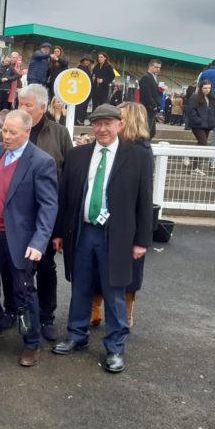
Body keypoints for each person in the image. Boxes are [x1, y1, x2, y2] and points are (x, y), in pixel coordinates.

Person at [52, 104, 153, 374]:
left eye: (108, 123)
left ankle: (116, 347)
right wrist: (60, 232)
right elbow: (66, 198)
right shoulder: (77, 155)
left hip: (116, 236)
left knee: (115, 292)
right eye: (97, 124)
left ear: (119, 125)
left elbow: (144, 202)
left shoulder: (137, 157)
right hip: (83, 232)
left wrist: (141, 241)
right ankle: (76, 335)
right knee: (80, 287)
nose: (102, 129)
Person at [0, 110, 58, 366]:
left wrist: (39, 242)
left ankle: (31, 342)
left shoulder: (41, 162)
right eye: (3, 131)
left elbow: (48, 206)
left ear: (27, 133)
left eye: (12, 132)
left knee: (24, 293)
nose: (5, 136)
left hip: (20, 238)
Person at [17, 84, 73, 340]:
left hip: (48, 215)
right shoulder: (14, 128)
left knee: (47, 266)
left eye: (28, 105)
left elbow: (68, 179)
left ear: (42, 107)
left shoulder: (59, 133)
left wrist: (59, 227)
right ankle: (17, 312)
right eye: (20, 104)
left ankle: (47, 316)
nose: (22, 109)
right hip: (18, 214)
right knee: (16, 267)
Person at [91, 102, 154, 330]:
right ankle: (95, 308)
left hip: (128, 224)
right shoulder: (110, 148)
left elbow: (144, 197)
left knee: (128, 273)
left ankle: (125, 314)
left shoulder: (141, 153)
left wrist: (142, 238)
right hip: (103, 221)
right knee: (99, 268)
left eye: (118, 117)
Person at [186, 80, 215, 177]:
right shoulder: (194, 97)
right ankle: (195, 168)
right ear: (200, 88)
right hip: (197, 125)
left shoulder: (212, 98)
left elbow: (214, 111)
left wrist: (212, 121)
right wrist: (199, 120)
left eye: (209, 88)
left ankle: (191, 159)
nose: (207, 90)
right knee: (203, 143)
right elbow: (190, 111)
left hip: (207, 126)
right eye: (205, 88)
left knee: (201, 144)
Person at [138, 59, 162, 139]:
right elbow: (146, 94)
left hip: (151, 108)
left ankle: (144, 147)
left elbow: (153, 93)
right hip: (147, 108)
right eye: (156, 67)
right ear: (150, 66)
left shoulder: (152, 77)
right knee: (147, 132)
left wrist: (161, 90)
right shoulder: (146, 77)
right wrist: (153, 105)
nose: (158, 69)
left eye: (159, 67)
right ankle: (143, 148)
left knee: (151, 132)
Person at [75, 54, 95, 125]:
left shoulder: (88, 69)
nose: (87, 62)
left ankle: (81, 120)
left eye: (89, 61)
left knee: (84, 106)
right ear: (83, 61)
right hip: (82, 90)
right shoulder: (80, 68)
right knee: (80, 106)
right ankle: (78, 120)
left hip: (87, 91)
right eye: (86, 60)